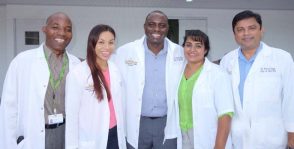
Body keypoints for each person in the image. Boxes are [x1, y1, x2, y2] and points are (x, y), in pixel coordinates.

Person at [220, 10, 294, 149]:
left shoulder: (282, 58)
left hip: (271, 138)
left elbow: (293, 100)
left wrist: (293, 140)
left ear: (261, 30)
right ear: (234, 34)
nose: (246, 33)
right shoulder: (227, 61)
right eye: (240, 30)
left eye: (252, 28)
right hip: (236, 137)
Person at [0, 12, 80, 149]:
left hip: (67, 133)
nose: (62, 33)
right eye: (55, 27)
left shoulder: (77, 64)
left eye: (68, 29)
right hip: (34, 134)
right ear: (44, 29)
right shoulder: (22, 61)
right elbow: (9, 108)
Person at [114, 10, 185, 149]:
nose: (157, 29)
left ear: (167, 28)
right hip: (138, 122)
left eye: (162, 25)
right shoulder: (125, 51)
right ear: (144, 27)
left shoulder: (180, 53)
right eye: (151, 25)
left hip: (167, 122)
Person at [65, 24, 126, 149]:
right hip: (91, 138)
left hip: (115, 134)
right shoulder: (78, 73)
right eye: (101, 42)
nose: (107, 47)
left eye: (111, 42)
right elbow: (72, 116)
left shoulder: (115, 69)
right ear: (92, 44)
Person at [176, 30, 234, 149]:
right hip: (180, 134)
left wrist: (219, 146)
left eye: (198, 46)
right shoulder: (177, 71)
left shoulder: (218, 74)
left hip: (207, 135)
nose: (192, 50)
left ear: (205, 50)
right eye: (188, 45)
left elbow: (225, 114)